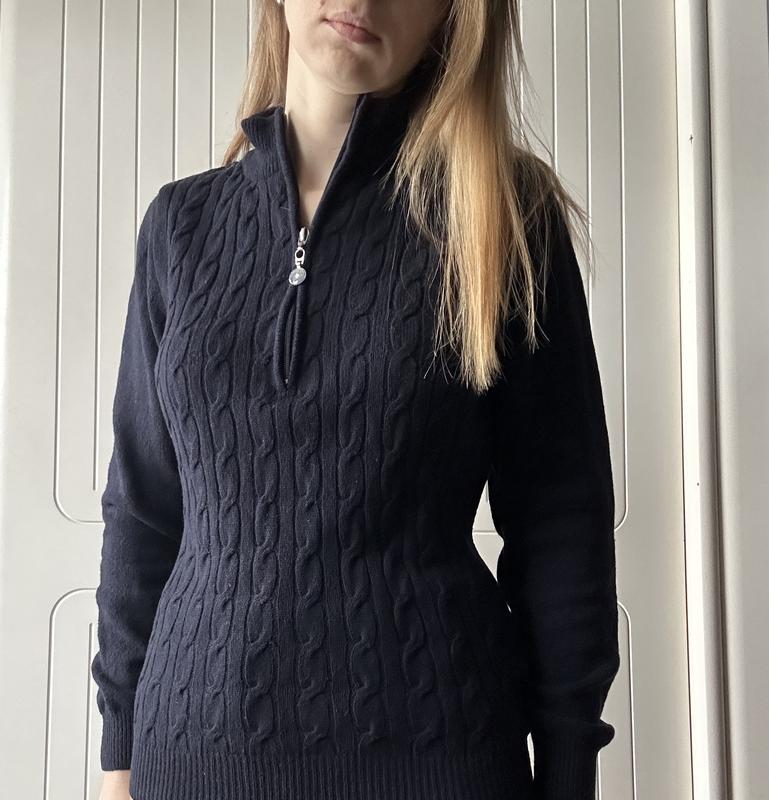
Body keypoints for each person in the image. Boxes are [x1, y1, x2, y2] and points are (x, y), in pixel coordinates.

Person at [93, 1, 621, 799]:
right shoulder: (180, 227)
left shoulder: (504, 215)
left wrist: (567, 770)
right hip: (191, 756)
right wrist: (119, 757)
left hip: (439, 759)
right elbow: (142, 510)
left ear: (454, 17)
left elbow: (560, 522)